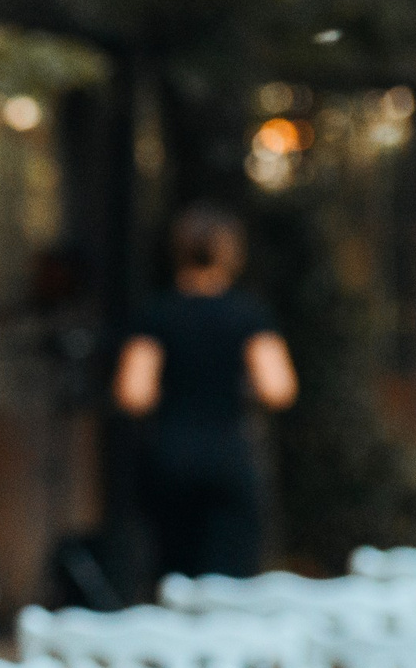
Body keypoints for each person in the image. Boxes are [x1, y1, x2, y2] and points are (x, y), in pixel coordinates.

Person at [114, 203, 296, 581]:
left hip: (170, 458)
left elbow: (133, 393)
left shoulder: (156, 315)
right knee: (231, 584)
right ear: (231, 253)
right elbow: (278, 389)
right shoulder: (249, 315)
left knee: (174, 581)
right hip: (229, 458)